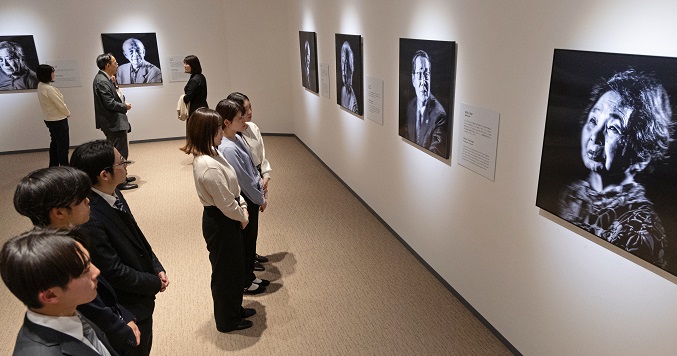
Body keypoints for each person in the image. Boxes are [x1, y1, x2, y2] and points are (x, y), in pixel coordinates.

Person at [12, 166, 141, 355]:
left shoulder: (73, 237)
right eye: (81, 198)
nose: (88, 200)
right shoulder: (52, 259)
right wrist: (123, 330)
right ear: (58, 213)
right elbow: (92, 307)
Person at [559, 68, 673, 266]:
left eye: (613, 128)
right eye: (593, 120)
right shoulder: (571, 194)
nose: (595, 136)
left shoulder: (643, 230)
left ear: (642, 153)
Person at [71, 140, 169, 355]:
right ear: (104, 174)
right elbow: (112, 271)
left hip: (141, 291)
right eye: (122, 163)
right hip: (127, 306)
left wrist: (156, 265)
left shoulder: (114, 192)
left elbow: (136, 235)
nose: (126, 166)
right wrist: (153, 282)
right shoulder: (90, 217)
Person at [180, 107, 255, 332]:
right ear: (207, 132)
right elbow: (225, 203)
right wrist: (242, 216)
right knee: (225, 274)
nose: (222, 131)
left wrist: (241, 205)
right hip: (220, 222)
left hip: (228, 215)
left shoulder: (213, 152)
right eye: (217, 129)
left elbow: (232, 187)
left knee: (234, 269)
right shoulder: (207, 166)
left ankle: (235, 309)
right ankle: (227, 320)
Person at [0, 228, 118, 356]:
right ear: (51, 295)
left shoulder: (65, 310)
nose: (96, 272)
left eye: (90, 263)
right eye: (84, 271)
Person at [217, 99, 270, 294]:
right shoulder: (228, 147)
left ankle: (249, 276)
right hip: (247, 198)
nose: (245, 121)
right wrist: (260, 198)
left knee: (250, 239)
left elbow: (252, 167)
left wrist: (261, 187)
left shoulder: (237, 138)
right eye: (240, 117)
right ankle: (246, 280)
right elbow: (244, 180)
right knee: (246, 242)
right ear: (227, 122)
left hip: (253, 195)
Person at [227, 92, 272, 270]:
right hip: (245, 184)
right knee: (247, 224)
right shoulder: (233, 137)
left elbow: (262, 155)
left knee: (254, 224)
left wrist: (266, 174)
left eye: (250, 107)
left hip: (258, 178)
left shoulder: (253, 128)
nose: (250, 112)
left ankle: (251, 254)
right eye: (245, 110)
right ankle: (247, 262)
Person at [93, 53, 137, 190]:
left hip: (114, 121)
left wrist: (114, 83)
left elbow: (115, 95)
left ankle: (122, 176)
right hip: (113, 122)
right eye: (115, 62)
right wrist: (125, 106)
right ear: (107, 65)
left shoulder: (106, 79)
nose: (117, 65)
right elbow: (109, 103)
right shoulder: (101, 81)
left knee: (120, 150)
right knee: (119, 152)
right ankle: (119, 182)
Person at [404, 50, 449, 157]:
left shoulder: (439, 115)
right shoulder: (411, 106)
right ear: (413, 79)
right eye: (419, 74)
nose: (423, 81)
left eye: (426, 74)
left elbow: (435, 152)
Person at [37, 64, 71, 167]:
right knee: (63, 145)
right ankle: (65, 166)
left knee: (55, 142)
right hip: (58, 119)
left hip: (49, 119)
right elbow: (60, 104)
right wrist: (68, 113)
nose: (53, 74)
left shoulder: (40, 86)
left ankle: (54, 165)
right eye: (52, 72)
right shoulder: (49, 89)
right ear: (47, 74)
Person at [339, 41, 358, 113]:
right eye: (342, 64)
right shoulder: (343, 90)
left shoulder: (353, 101)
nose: (343, 71)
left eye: (346, 65)